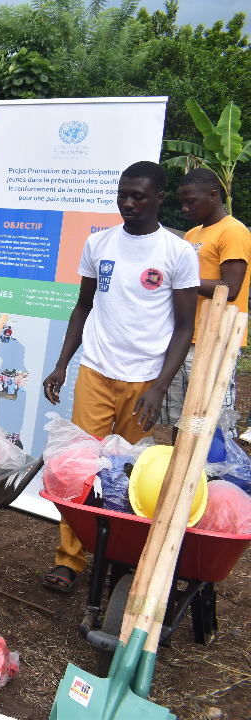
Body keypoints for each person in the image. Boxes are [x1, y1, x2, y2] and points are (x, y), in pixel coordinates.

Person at [41, 161, 199, 593]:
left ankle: (118, 562)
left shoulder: (178, 252)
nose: (128, 204)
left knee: (128, 475)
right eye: (122, 195)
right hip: (96, 371)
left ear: (159, 198)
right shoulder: (98, 244)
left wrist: (160, 387)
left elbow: (185, 327)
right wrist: (62, 363)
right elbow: (82, 306)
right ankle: (69, 559)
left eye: (139, 196)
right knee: (80, 468)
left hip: (144, 382)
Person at [157, 168, 251, 433]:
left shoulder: (233, 232)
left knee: (209, 420)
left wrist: (179, 280)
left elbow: (230, 288)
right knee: (181, 418)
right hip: (186, 335)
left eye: (191, 201)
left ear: (213, 195)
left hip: (216, 338)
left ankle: (212, 474)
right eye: (182, 202)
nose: (185, 208)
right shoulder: (192, 234)